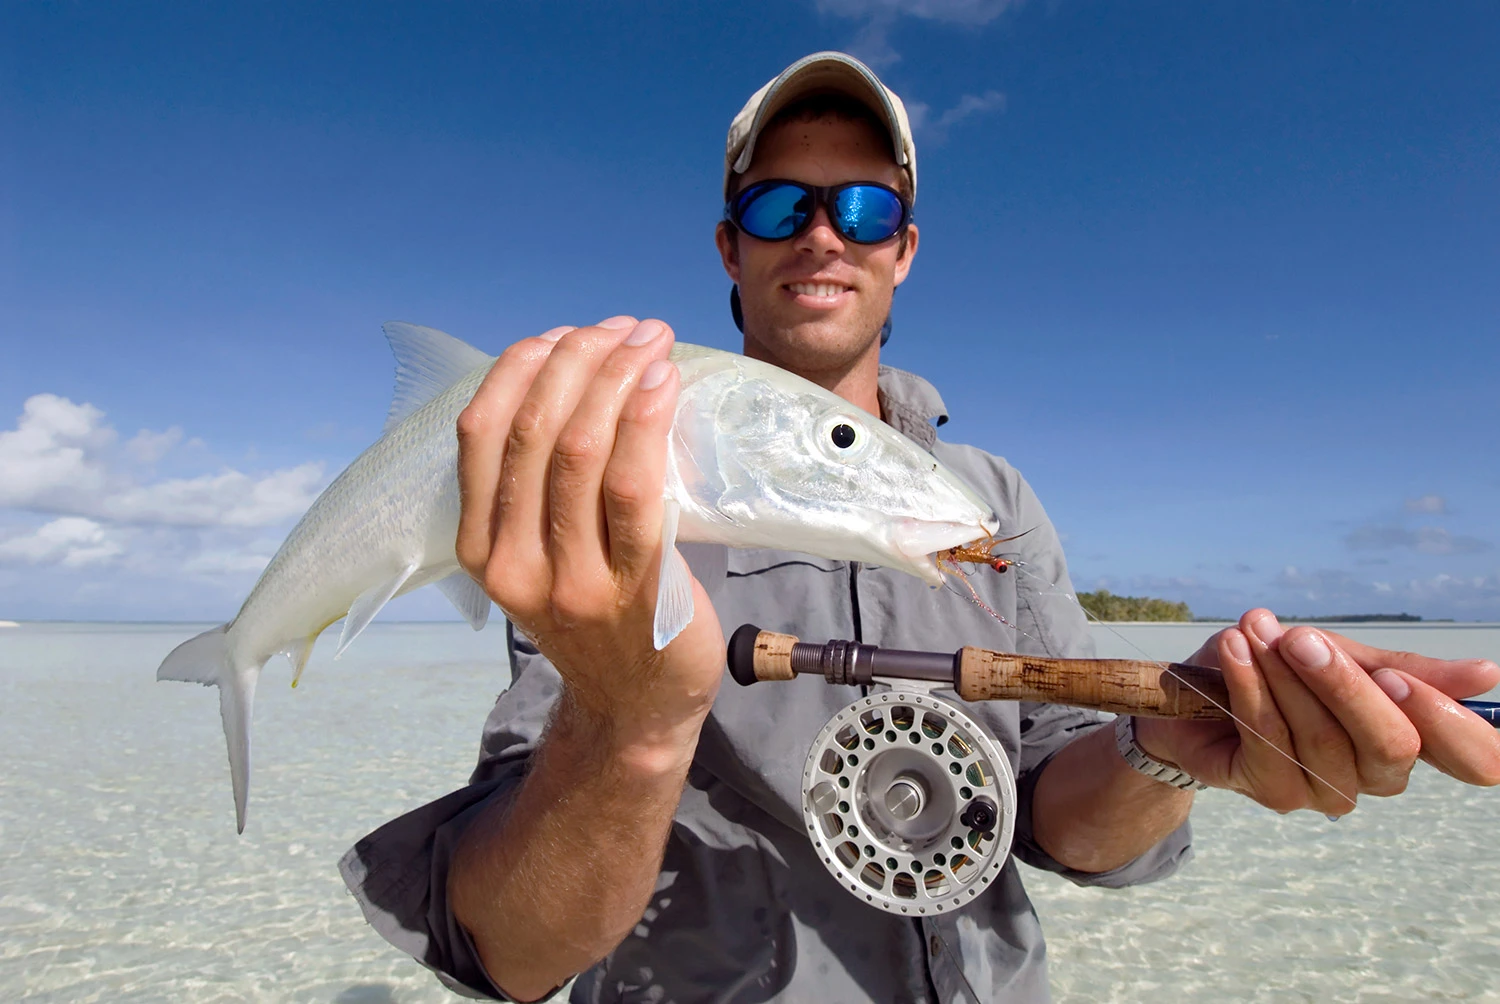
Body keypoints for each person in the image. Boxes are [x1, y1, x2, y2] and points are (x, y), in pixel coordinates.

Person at [341, 52, 1500, 1003]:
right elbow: (510, 946)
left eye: (863, 206)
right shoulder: (608, 498)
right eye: (779, 204)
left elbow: (1061, 813)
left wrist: (1164, 741)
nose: (823, 235)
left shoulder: (993, 497)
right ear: (729, 248)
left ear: (904, 246)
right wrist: (635, 728)